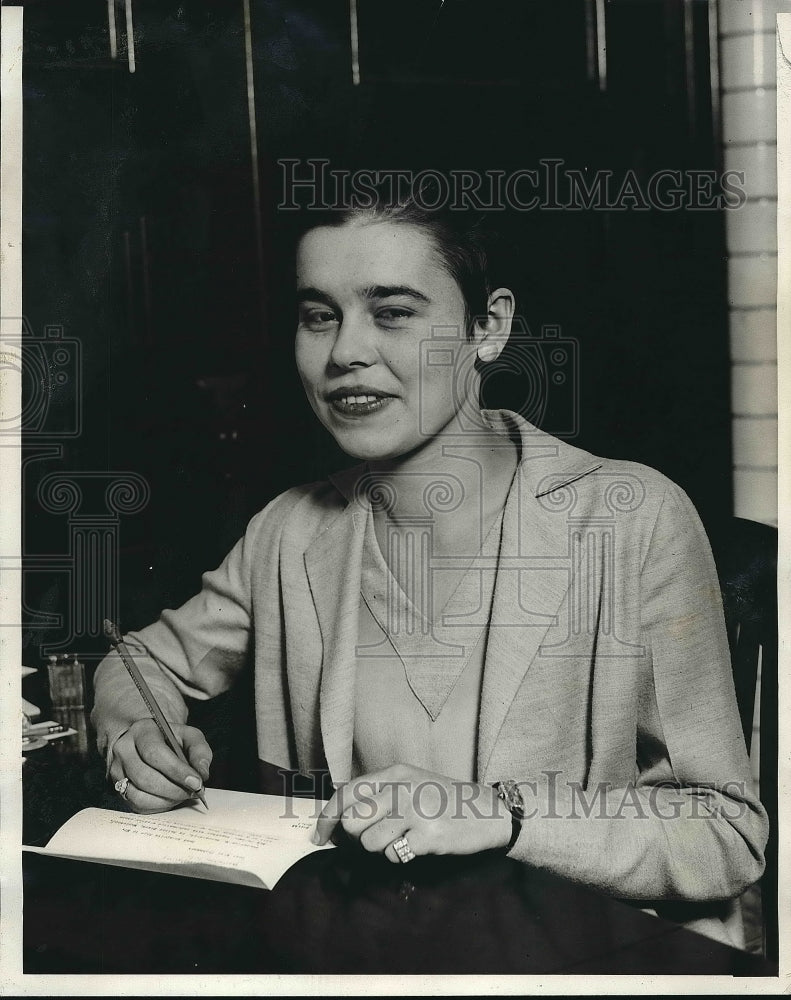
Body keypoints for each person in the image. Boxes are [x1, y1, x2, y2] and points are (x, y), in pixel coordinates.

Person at [91, 187, 768, 948]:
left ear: (490, 326)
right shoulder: (288, 530)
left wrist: (504, 816)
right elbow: (137, 661)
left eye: (393, 312)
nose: (345, 351)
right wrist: (138, 736)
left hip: (575, 965)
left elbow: (724, 833)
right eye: (319, 315)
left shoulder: (628, 517)